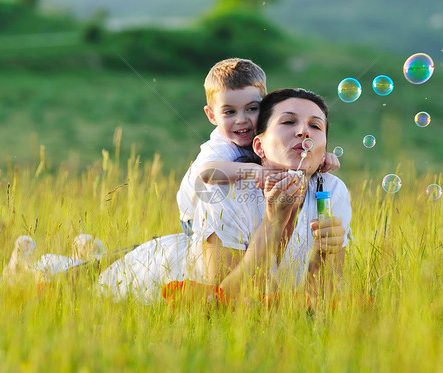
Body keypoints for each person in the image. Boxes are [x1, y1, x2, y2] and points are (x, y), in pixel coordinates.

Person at [97, 88, 352, 303]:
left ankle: (91, 250)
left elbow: (321, 303)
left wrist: (323, 254)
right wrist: (273, 223)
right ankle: (90, 253)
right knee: (74, 274)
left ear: (324, 152)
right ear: (259, 146)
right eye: (288, 122)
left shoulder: (330, 192)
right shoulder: (224, 190)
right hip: (147, 281)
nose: (303, 132)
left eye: (315, 126)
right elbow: (222, 302)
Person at [176, 58, 339, 236]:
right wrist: (254, 170)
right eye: (229, 112)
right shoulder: (220, 146)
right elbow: (206, 173)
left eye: (251, 109)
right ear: (212, 115)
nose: (241, 120)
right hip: (194, 220)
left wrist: (319, 155)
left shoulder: (262, 135)